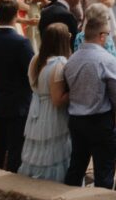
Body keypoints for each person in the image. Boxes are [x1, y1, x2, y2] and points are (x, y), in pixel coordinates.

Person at [0, 0, 36, 171]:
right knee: (16, 149)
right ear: (15, 16)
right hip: (18, 103)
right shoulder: (22, 43)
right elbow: (31, 71)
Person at [19, 21, 75, 183]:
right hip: (52, 114)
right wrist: (77, 90)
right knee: (54, 152)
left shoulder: (36, 60)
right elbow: (57, 100)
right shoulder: (58, 64)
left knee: (39, 152)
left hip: (36, 111)